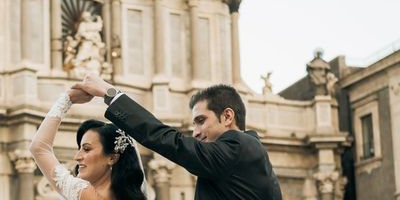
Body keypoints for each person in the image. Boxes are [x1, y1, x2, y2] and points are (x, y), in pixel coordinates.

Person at [73, 74, 282, 200]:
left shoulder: (238, 148)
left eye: (201, 121)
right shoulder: (246, 153)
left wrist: (109, 94)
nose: (195, 132)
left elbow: (166, 139)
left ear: (227, 116)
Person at [29, 89, 147, 200]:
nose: (77, 157)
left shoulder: (84, 194)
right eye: (80, 148)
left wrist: (67, 99)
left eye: (86, 149)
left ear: (112, 158)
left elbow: (39, 148)